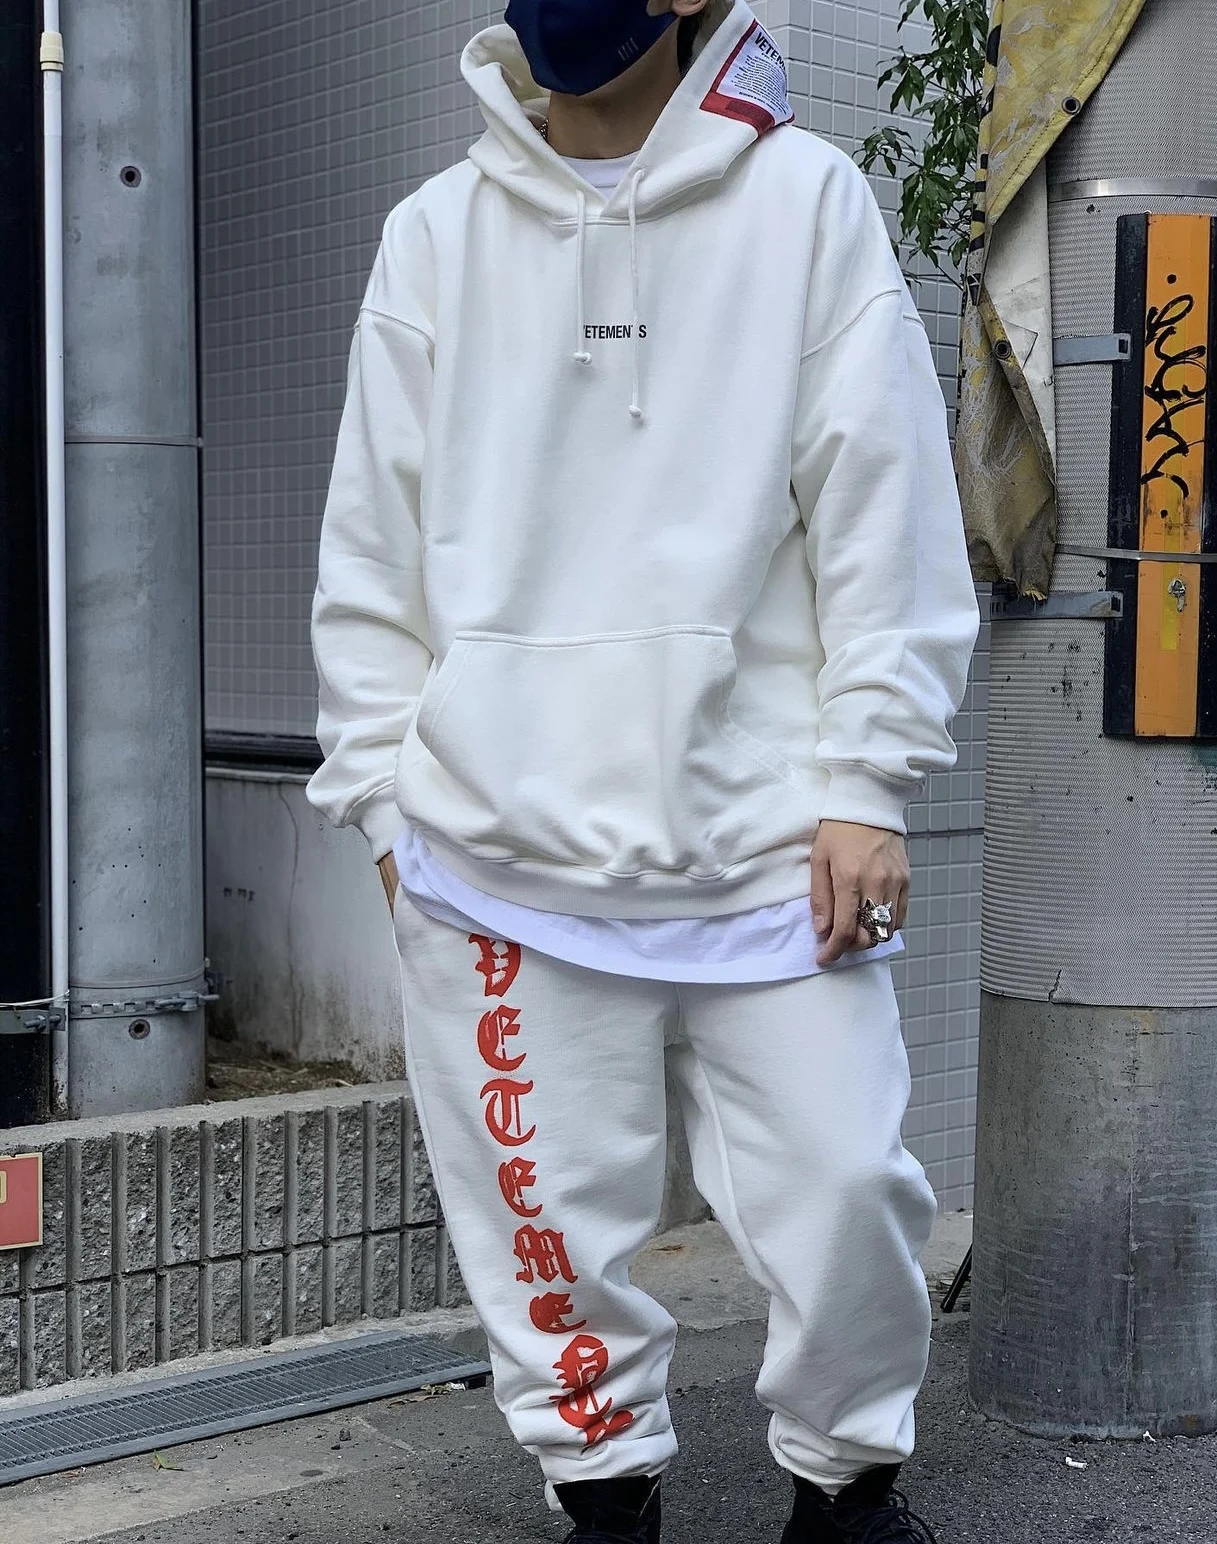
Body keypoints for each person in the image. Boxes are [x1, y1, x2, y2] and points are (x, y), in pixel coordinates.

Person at [307, 1, 979, 1539]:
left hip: (769, 843)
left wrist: (867, 783)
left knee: (847, 1194)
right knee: (543, 1226)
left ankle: (847, 1492)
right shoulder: (434, 234)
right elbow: (371, 546)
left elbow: (879, 503)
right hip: (494, 847)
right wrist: (383, 802)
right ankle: (604, 1502)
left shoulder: (804, 201)